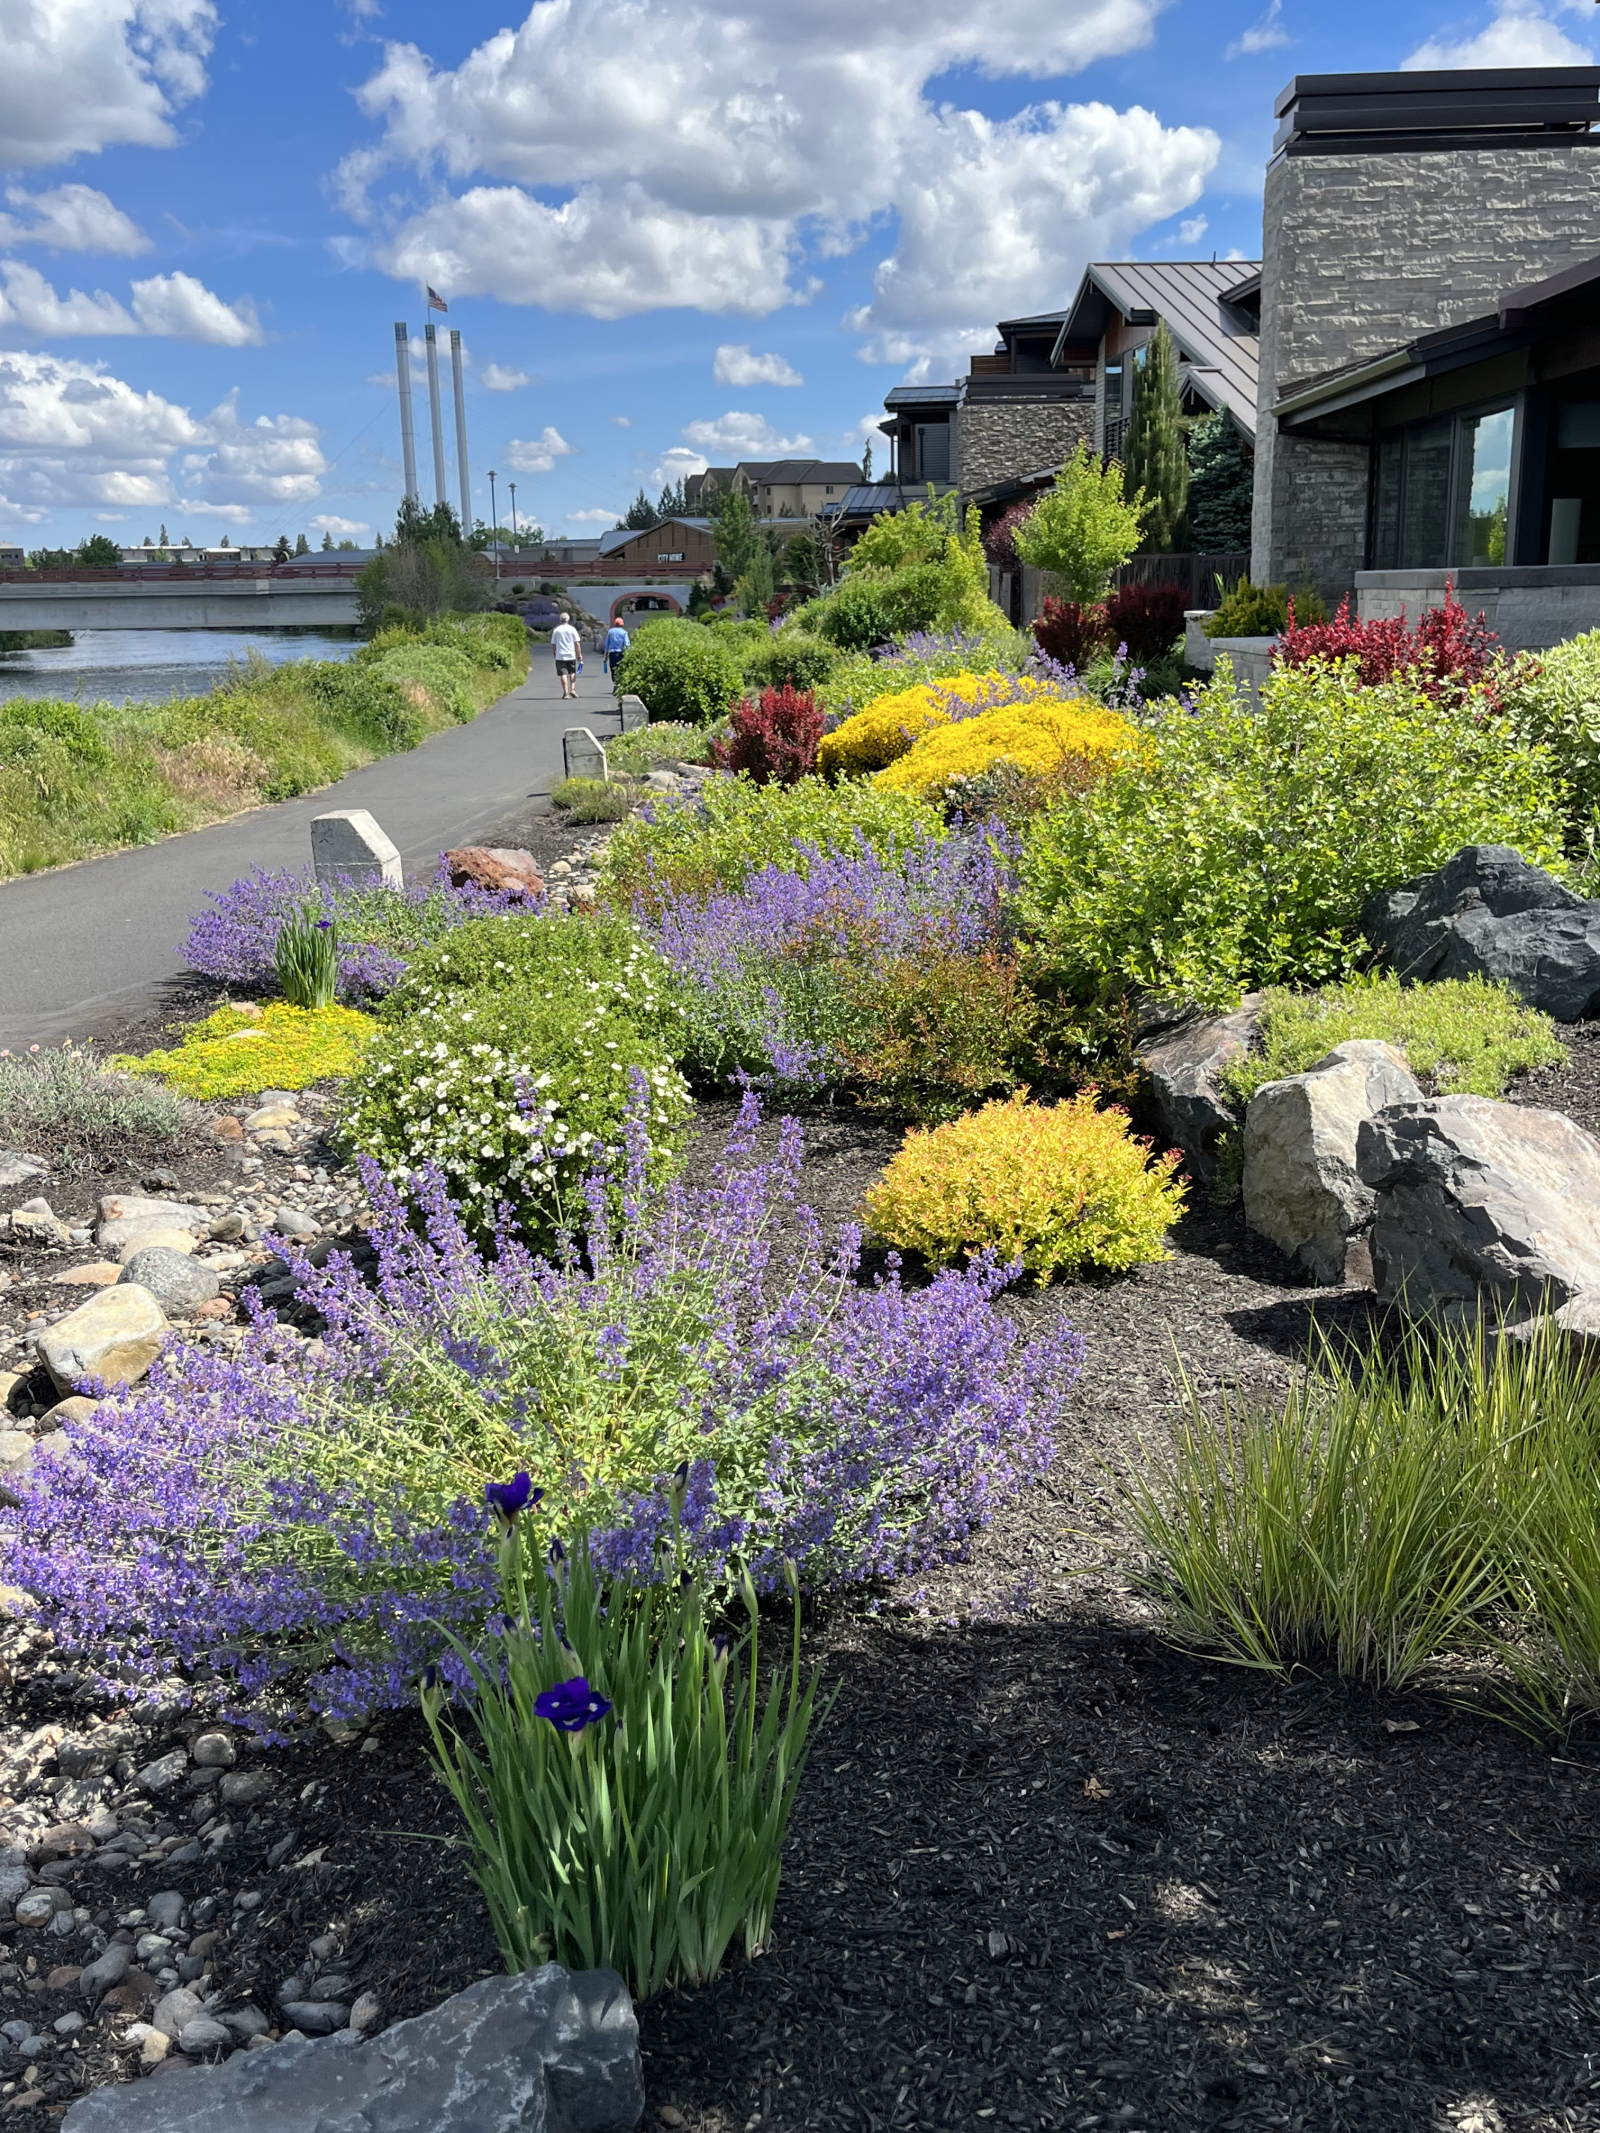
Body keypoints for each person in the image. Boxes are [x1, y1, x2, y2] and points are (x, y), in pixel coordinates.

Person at [550, 611, 582, 699]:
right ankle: (573, 689)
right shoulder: (572, 629)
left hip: (560, 655)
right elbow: (577, 643)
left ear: (560, 620)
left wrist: (554, 653)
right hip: (571, 654)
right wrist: (579, 654)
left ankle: (565, 693)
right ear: (568, 619)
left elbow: (553, 644)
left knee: (563, 674)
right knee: (572, 672)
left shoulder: (556, 630)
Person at [603, 614, 631, 690]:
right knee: (621, 669)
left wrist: (605, 655)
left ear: (615, 624)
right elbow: (627, 644)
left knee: (613, 669)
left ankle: (615, 683)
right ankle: (620, 684)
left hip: (612, 653)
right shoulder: (624, 633)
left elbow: (607, 644)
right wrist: (628, 653)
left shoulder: (610, 632)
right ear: (622, 624)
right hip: (621, 653)